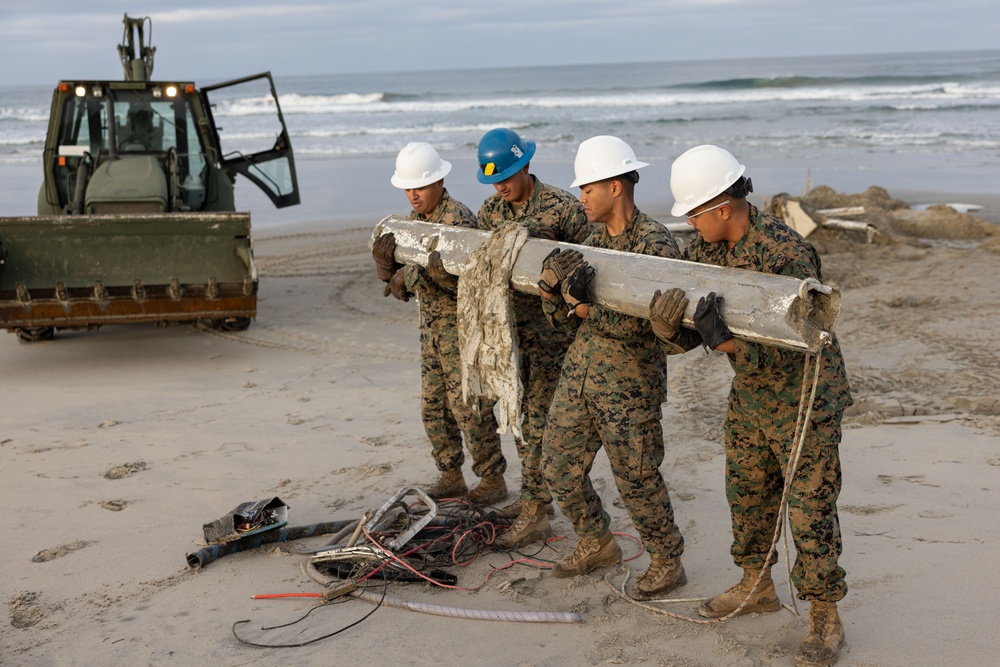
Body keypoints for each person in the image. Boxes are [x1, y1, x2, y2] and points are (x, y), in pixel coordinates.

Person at [649, 145, 851, 667]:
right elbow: (694, 331)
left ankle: (825, 615)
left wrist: (727, 344)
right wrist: (669, 330)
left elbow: (798, 339)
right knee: (747, 491)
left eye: (695, 213)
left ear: (723, 207)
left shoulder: (787, 254)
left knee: (808, 507)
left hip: (806, 391)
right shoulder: (706, 249)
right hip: (754, 393)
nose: (690, 225)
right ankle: (756, 584)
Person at [534, 136, 686, 599]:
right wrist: (550, 293)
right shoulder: (591, 241)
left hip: (629, 385)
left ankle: (667, 560)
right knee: (556, 466)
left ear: (616, 187)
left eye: (588, 189)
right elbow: (563, 317)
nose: (580, 199)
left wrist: (584, 310)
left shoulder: (656, 245)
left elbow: (655, 327)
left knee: (638, 479)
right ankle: (597, 541)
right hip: (581, 375)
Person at [373, 142, 508, 505]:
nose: (413, 194)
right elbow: (405, 284)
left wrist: (409, 278)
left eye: (420, 186)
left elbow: (471, 278)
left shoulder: (458, 221)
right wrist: (393, 276)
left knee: (470, 407)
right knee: (433, 407)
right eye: (408, 187)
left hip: (462, 332)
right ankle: (451, 474)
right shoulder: (413, 224)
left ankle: (492, 478)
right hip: (432, 331)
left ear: (440, 181)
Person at [475, 128, 591, 547]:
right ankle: (531, 498)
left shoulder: (563, 209)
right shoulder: (490, 212)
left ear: (525, 165)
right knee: (522, 422)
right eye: (493, 181)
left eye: (506, 177)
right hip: (512, 339)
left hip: (556, 339)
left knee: (542, 425)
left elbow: (593, 269)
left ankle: (536, 510)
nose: (500, 187)